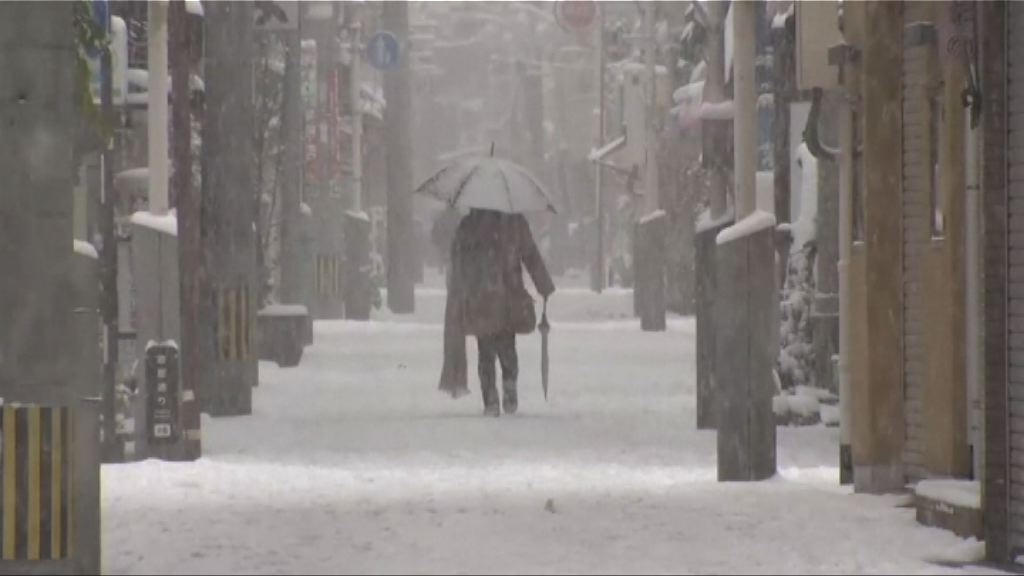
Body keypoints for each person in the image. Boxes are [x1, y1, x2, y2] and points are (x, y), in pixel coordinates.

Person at [438, 209, 555, 416]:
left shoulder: (470, 224)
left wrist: (461, 289)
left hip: (480, 298)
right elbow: (530, 255)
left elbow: (458, 258)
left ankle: (490, 397)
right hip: (509, 298)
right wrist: (543, 284)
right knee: (507, 346)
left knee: (485, 351)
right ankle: (509, 385)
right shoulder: (515, 223)